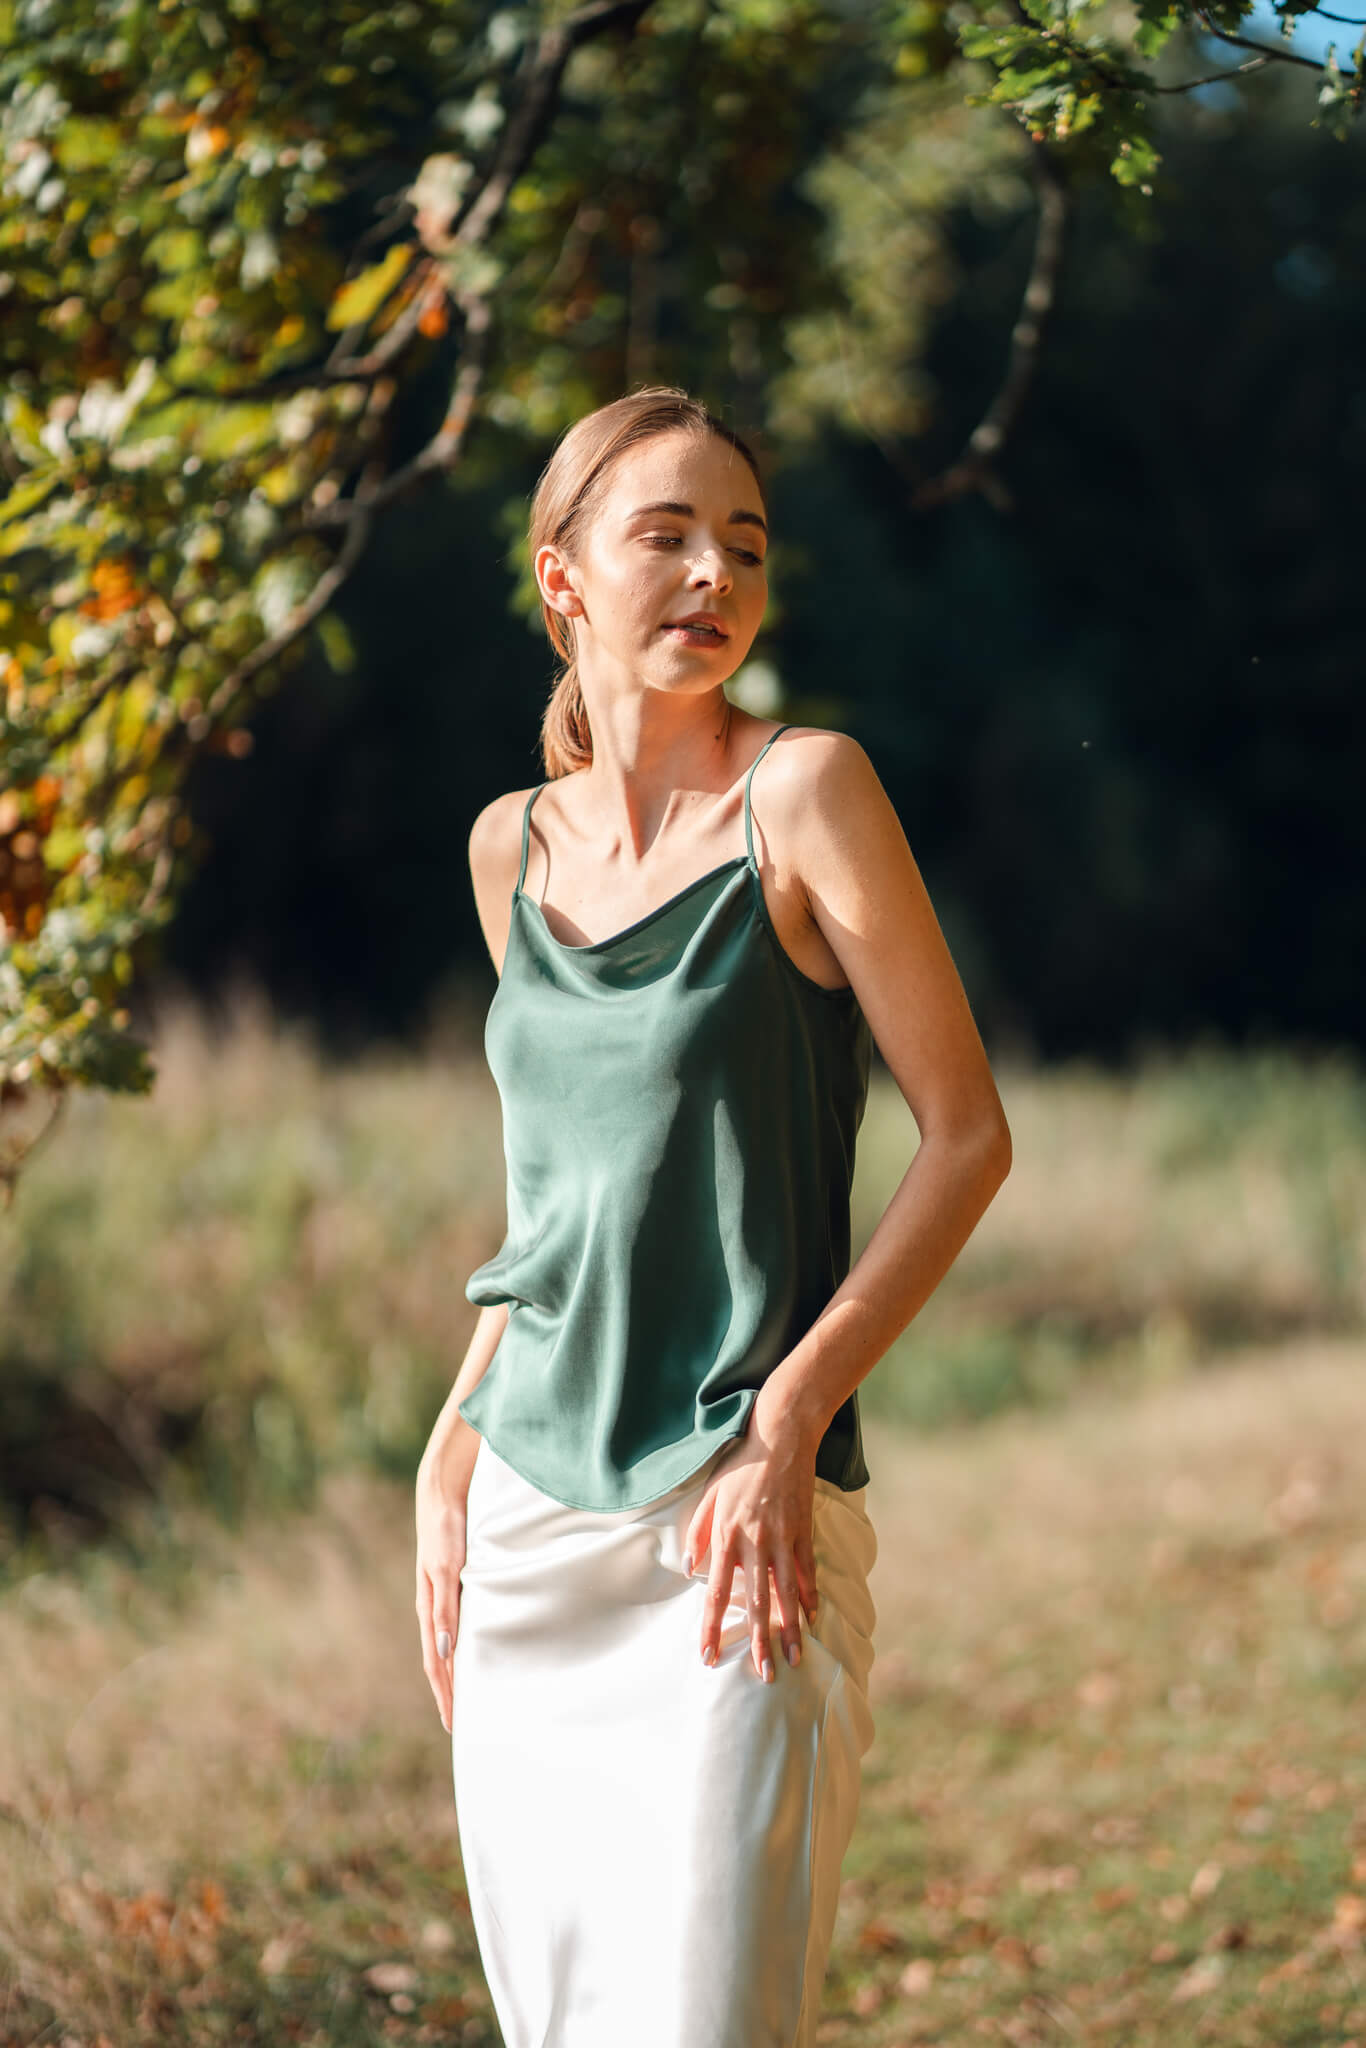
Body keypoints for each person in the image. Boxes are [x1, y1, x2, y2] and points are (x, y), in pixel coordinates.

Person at [415, 385, 1012, 2048]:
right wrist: (449, 1454)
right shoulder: (505, 848)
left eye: (742, 544)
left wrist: (788, 1418)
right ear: (561, 577)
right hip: (527, 1528)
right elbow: (557, 1204)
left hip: (737, 1530)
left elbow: (967, 1139)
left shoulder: (807, 793)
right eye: (664, 536)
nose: (711, 575)